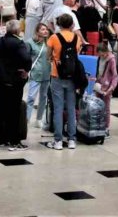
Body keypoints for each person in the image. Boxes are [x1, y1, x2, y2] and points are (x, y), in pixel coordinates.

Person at [0, 19, 32, 150]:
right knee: (14, 110)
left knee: (0, 109)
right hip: (15, 81)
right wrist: (25, 71)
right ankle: (13, 141)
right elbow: (27, 59)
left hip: (1, 80)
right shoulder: (19, 43)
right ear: (17, 30)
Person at [46, 13, 82, 150]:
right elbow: (77, 52)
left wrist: (53, 59)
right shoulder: (76, 38)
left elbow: (48, 55)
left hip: (57, 75)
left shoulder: (54, 37)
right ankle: (72, 139)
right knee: (71, 108)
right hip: (73, 76)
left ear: (59, 24)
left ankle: (58, 140)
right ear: (72, 24)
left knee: (58, 108)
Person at [25, 23, 51, 129]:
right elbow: (26, 58)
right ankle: (26, 119)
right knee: (31, 97)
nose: (45, 31)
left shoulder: (49, 43)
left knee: (43, 97)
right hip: (35, 73)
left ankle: (39, 119)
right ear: (37, 31)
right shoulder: (29, 43)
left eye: (46, 29)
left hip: (46, 73)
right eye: (43, 29)